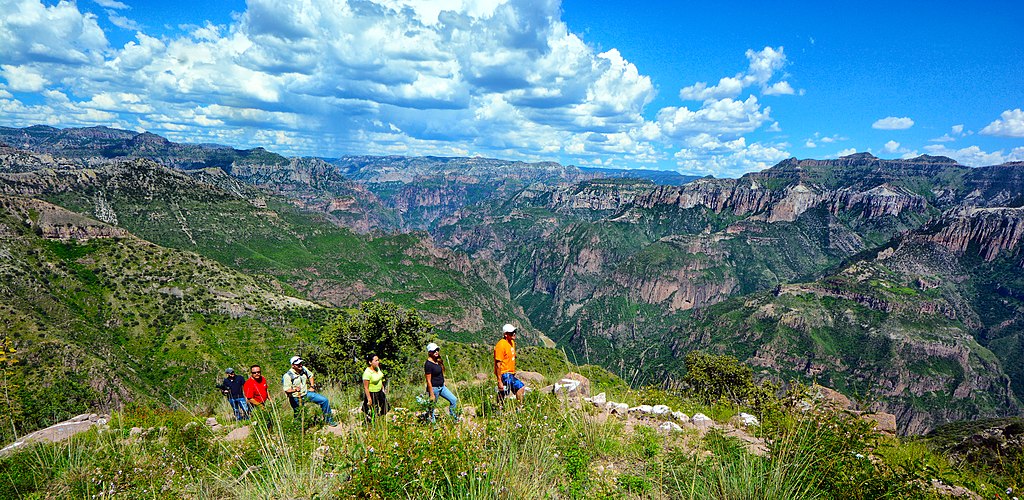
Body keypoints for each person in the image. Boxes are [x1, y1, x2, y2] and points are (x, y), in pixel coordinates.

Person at [282, 356, 337, 427]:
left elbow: (311, 375)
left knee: (324, 400)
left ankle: (329, 420)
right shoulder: (287, 376)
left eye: (301, 363)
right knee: (298, 413)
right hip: (296, 398)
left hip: (306, 394)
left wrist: (312, 386)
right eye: (298, 364)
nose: (300, 365)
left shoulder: (304, 369)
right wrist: (295, 390)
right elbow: (286, 390)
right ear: (293, 365)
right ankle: (297, 429)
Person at [424, 342, 458, 422]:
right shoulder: (428, 364)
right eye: (434, 350)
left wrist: (443, 381)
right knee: (432, 407)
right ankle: (432, 424)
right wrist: (431, 394)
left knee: (453, 400)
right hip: (434, 388)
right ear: (429, 352)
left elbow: (440, 372)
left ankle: (454, 419)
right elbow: (428, 380)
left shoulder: (437, 361)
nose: (436, 352)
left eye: (437, 350)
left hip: (442, 387)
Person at [494, 323, 526, 406]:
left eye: (514, 332)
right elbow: (498, 364)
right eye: (511, 333)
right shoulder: (501, 345)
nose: (514, 334)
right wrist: (499, 380)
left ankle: (498, 408)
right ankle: (520, 407)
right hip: (504, 374)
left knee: (504, 392)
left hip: (510, 373)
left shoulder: (511, 343)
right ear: (505, 334)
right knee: (520, 387)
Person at [243, 364, 272, 430]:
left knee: (268, 418)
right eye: (254, 373)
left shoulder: (263, 379)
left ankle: (269, 431)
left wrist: (270, 398)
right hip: (255, 405)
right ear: (251, 373)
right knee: (259, 420)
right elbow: (250, 398)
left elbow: (266, 389)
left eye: (258, 372)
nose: (257, 374)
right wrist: (260, 405)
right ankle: (258, 433)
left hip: (264, 403)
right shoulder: (248, 383)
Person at [362, 354, 388, 422]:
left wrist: (382, 388)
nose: (378, 362)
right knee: (373, 410)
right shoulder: (367, 373)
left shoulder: (377, 368)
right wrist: (369, 398)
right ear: (370, 362)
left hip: (379, 391)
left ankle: (379, 417)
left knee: (386, 407)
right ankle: (370, 422)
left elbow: (380, 378)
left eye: (378, 360)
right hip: (372, 393)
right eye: (376, 361)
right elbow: (366, 387)